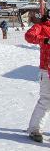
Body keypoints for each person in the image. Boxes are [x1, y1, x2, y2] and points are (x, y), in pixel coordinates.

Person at [25, 14, 50, 142]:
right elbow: (29, 36)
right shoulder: (40, 26)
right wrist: (44, 40)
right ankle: (34, 129)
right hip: (46, 70)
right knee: (46, 100)